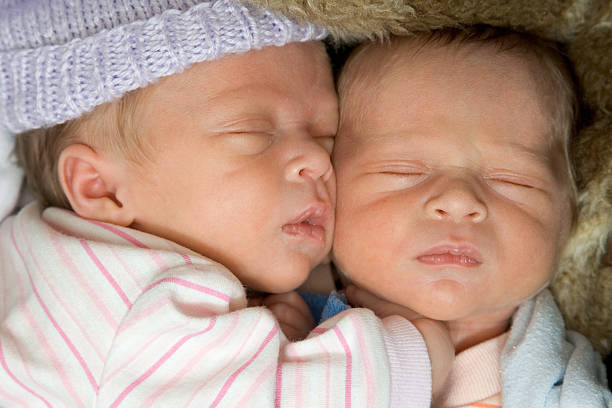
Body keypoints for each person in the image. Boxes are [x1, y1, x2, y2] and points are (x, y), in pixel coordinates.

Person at [0, 1, 452, 406]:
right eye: (253, 134)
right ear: (100, 188)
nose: (317, 161)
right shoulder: (147, 306)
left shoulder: (41, 255)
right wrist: (414, 351)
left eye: (326, 137)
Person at [331, 27, 612, 407]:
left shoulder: (569, 393)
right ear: (325, 191)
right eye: (403, 171)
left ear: (570, 216)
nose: (459, 200)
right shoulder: (264, 342)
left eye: (512, 181)